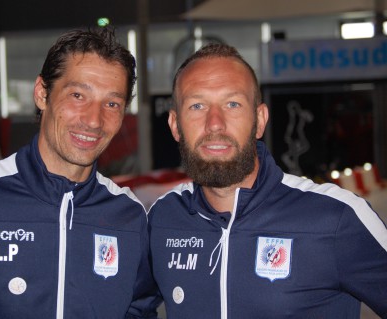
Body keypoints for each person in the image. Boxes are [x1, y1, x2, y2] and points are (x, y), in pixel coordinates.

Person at [0, 27, 158, 318]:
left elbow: (140, 309)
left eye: (112, 104)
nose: (93, 120)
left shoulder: (128, 215)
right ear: (42, 94)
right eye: (77, 95)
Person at [148, 43, 387, 318]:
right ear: (175, 125)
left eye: (232, 104)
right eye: (197, 105)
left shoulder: (336, 218)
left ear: (260, 120)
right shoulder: (163, 217)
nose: (215, 123)